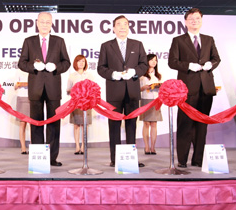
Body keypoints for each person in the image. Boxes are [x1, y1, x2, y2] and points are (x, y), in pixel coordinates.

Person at [168, 8, 220, 168]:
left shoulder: (209, 39)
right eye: (191, 19)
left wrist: (211, 64)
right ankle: (182, 160)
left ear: (201, 21)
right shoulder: (178, 40)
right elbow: (172, 62)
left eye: (197, 18)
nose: (194, 21)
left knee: (202, 125)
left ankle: (198, 159)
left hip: (206, 88)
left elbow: (216, 58)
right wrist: (189, 66)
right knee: (185, 124)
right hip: (187, 88)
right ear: (185, 22)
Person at [17, 12, 70, 166]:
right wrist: (34, 66)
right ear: (37, 23)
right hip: (35, 88)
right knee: (36, 123)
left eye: (48, 22)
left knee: (54, 123)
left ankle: (52, 158)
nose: (45, 24)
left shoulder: (59, 41)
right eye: (42, 22)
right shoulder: (29, 41)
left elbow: (66, 62)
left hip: (53, 88)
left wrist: (56, 67)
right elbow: (22, 63)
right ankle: (38, 156)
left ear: (51, 24)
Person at [97, 15, 148, 167]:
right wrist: (113, 74)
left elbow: (144, 64)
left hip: (132, 91)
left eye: (125, 24)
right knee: (114, 126)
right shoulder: (106, 46)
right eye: (119, 24)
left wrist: (135, 72)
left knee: (132, 125)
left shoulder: (137, 44)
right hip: (114, 91)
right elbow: (101, 68)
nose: (122, 27)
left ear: (128, 27)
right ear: (113, 28)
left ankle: (132, 157)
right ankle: (115, 159)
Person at [66, 55, 96, 155]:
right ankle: (77, 146)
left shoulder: (89, 75)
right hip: (75, 103)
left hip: (86, 103)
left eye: (83, 61)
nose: (81, 63)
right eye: (79, 61)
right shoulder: (72, 76)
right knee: (76, 125)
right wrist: (75, 89)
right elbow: (67, 90)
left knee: (85, 125)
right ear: (75, 63)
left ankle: (83, 146)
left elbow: (93, 89)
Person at [140, 54, 163, 155]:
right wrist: (144, 87)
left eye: (155, 60)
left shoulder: (158, 75)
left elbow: (161, 87)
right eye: (152, 60)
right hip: (145, 99)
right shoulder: (141, 75)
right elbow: (137, 89)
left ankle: (153, 147)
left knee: (154, 123)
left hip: (156, 100)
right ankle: (146, 147)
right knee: (146, 123)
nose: (154, 62)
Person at [14, 68, 30, 155]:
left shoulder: (34, 68)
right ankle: (23, 147)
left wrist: (23, 84)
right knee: (22, 123)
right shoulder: (19, 71)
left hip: (33, 97)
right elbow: (15, 86)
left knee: (33, 124)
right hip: (22, 97)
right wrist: (22, 84)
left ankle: (33, 146)